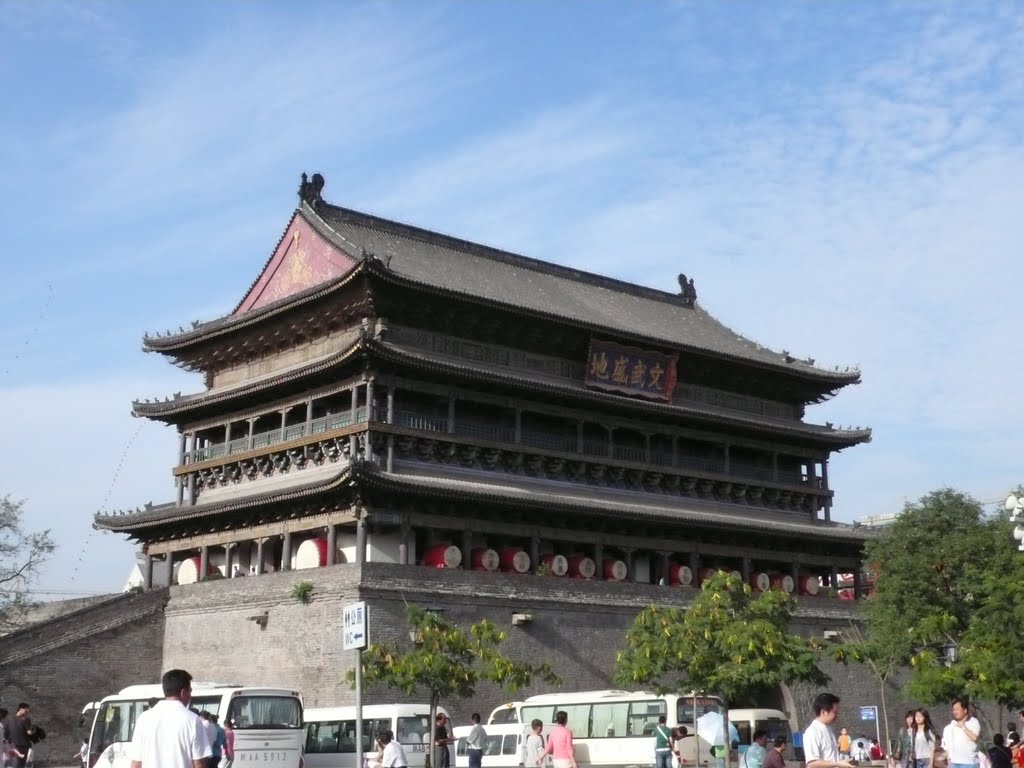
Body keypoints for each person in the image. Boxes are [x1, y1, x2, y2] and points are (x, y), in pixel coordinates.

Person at [129, 668, 212, 768]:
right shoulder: (193, 720)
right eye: (190, 691)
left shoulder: (143, 718)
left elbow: (136, 763)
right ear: (183, 692)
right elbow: (199, 764)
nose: (190, 695)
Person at [803, 692, 855, 768]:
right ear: (824, 712)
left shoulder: (829, 729)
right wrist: (838, 764)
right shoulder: (812, 732)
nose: (837, 715)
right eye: (835, 712)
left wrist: (841, 763)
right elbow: (812, 763)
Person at [941, 698, 980, 768]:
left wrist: (963, 727)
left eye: (957, 709)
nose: (955, 712)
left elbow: (975, 738)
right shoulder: (952, 725)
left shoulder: (974, 722)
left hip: (970, 763)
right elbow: (948, 744)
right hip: (954, 763)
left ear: (965, 710)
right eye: (954, 710)